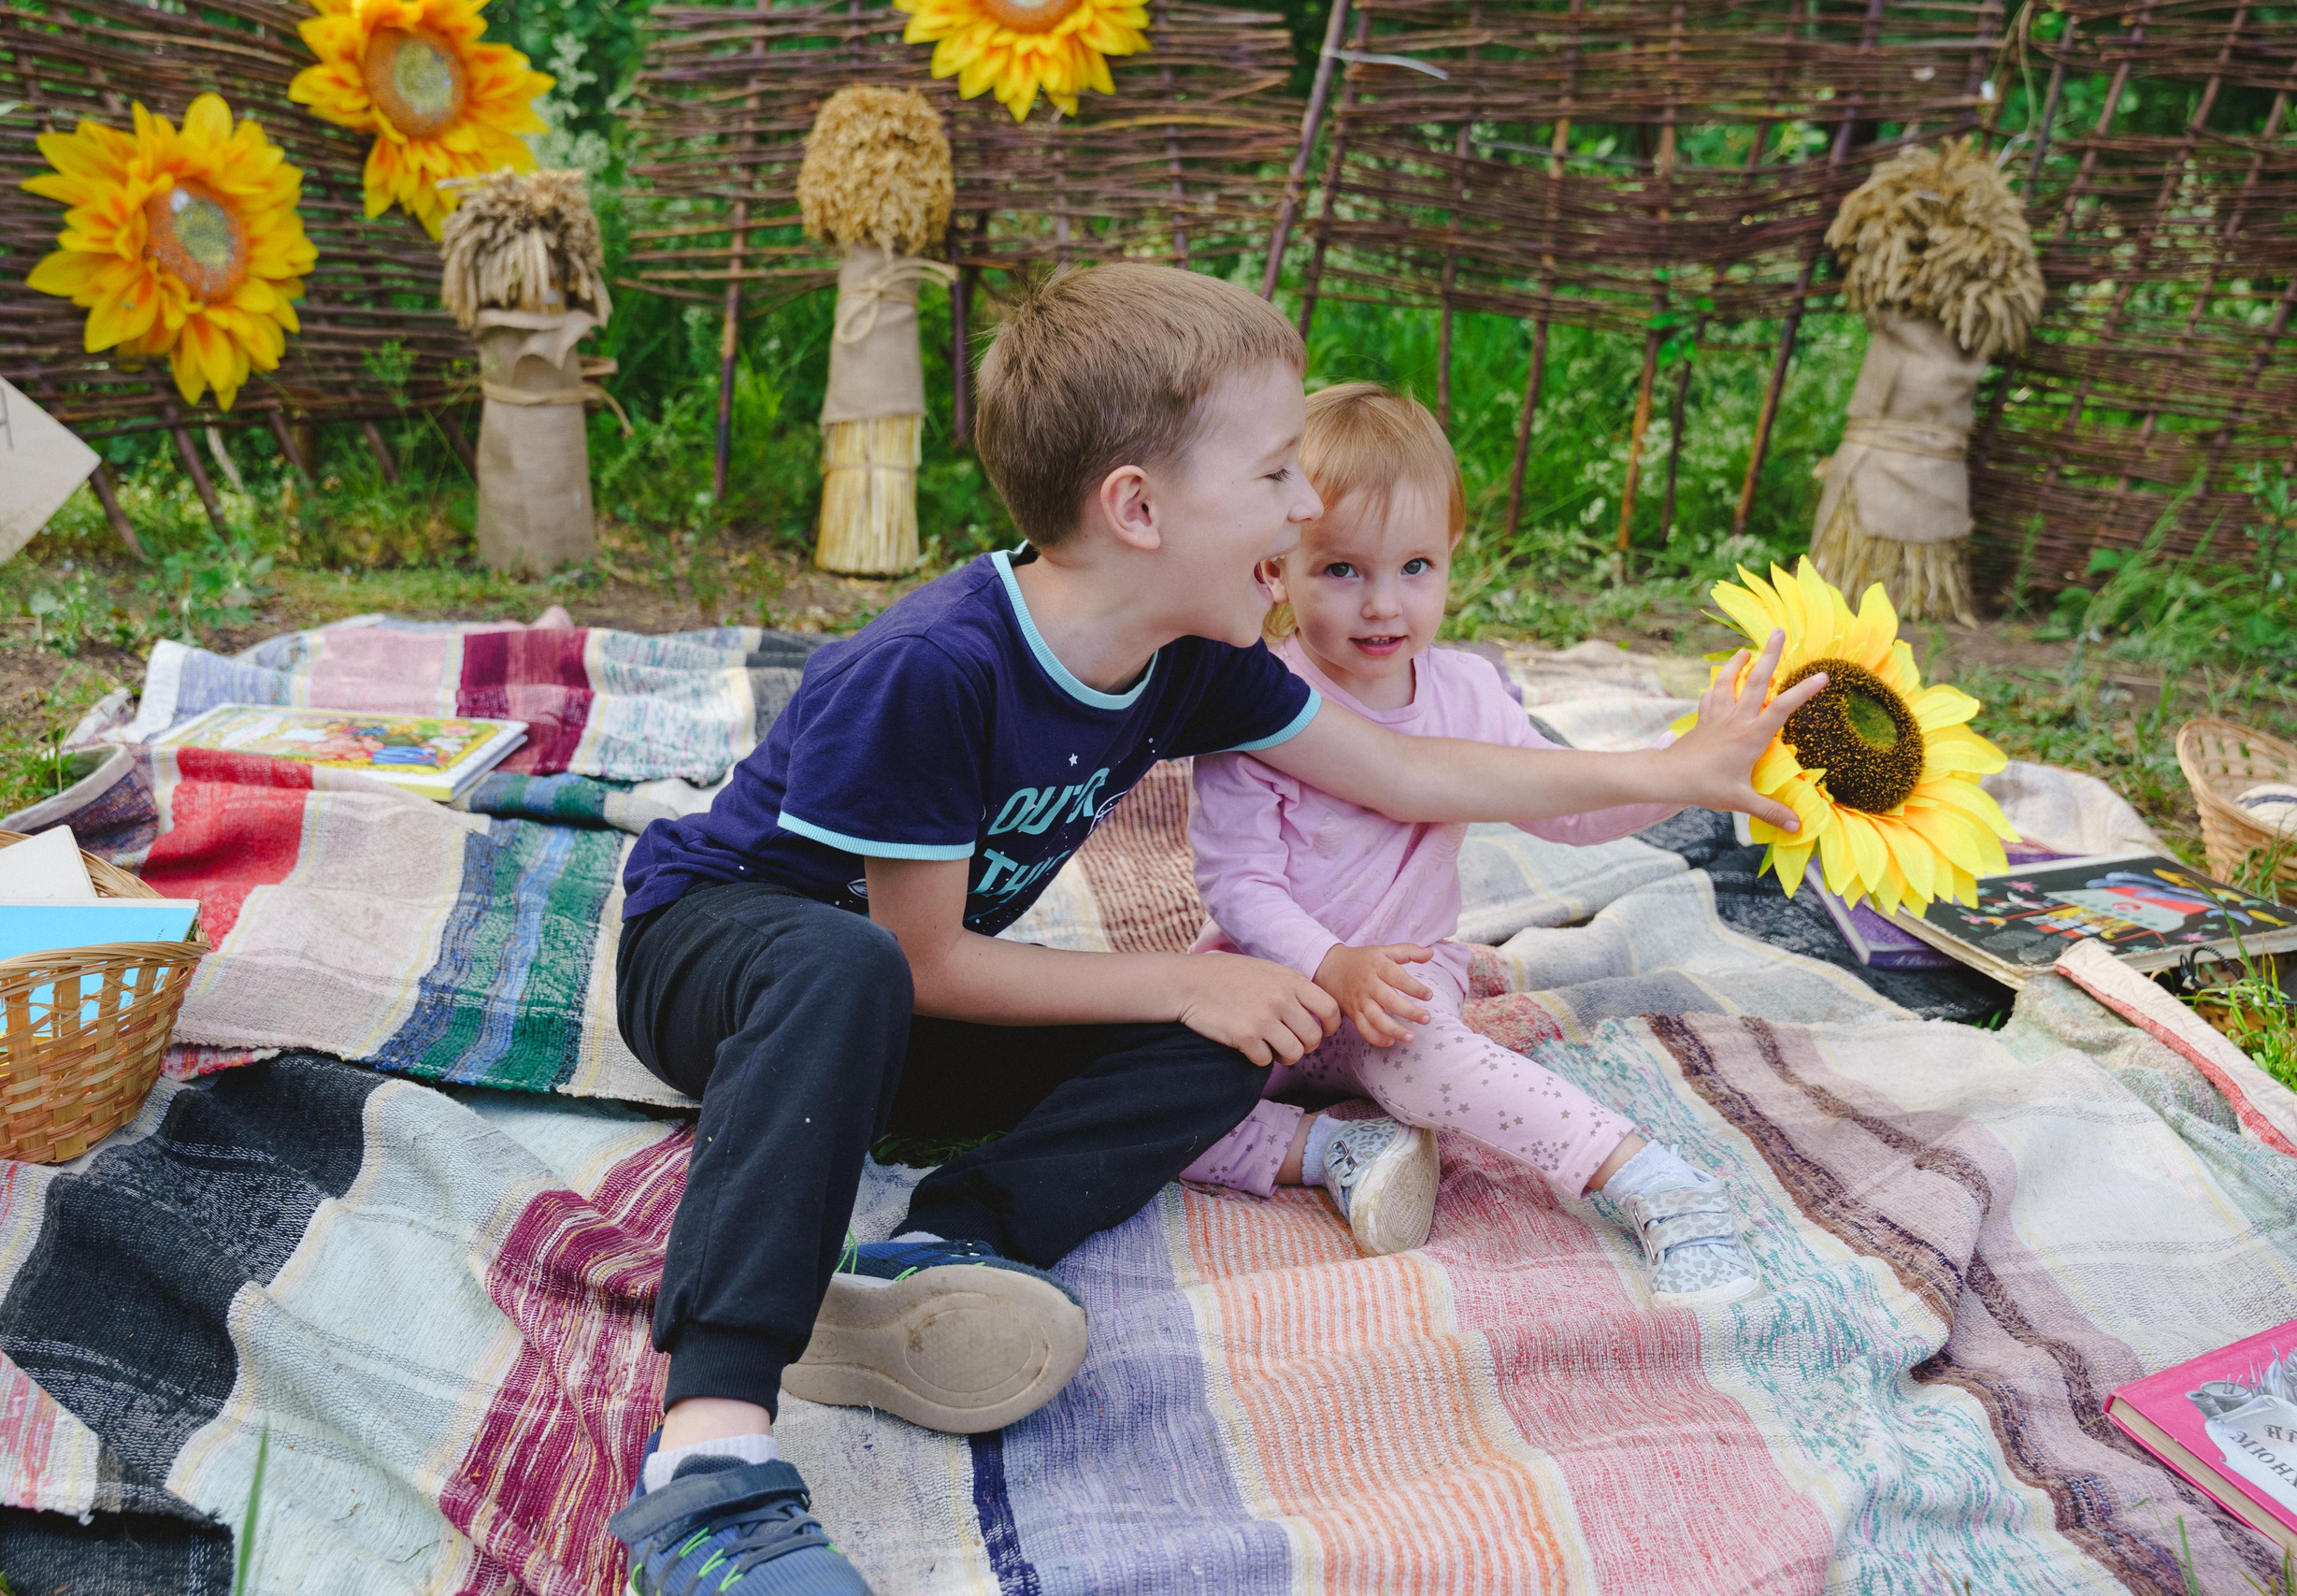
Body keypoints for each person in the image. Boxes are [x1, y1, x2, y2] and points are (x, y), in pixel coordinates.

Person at [604, 266, 1825, 1596]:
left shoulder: (1190, 653)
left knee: (1257, 1010)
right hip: (729, 969)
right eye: (1277, 474)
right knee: (938, 965)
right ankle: (709, 1459)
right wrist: (1177, 973)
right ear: (1137, 506)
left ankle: (947, 1245)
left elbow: (1410, 773)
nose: (1309, 508)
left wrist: (1673, 769)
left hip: (897, 1020)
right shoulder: (929, 670)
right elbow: (924, 959)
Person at [1177, 381, 1773, 1301]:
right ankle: (1334, 1149)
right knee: (1139, 1090)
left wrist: (1683, 758)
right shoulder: (1256, 699)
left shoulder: (1466, 695)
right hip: (1271, 981)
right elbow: (1237, 883)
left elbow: (1565, 811)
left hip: (1410, 978)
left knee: (1426, 1066)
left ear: (1452, 557)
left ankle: (1649, 1177)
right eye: (1341, 571)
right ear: (1277, 569)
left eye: (1414, 567)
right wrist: (1328, 963)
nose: (1384, 605)